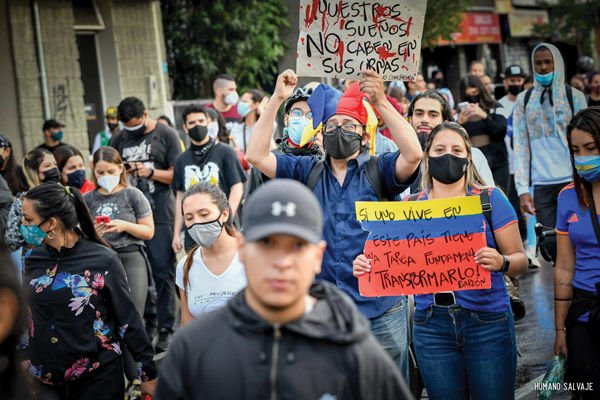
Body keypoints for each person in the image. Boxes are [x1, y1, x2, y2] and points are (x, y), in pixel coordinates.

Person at [155, 179, 411, 399]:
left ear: (318, 256)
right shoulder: (192, 348)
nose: (282, 261)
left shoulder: (355, 353)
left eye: (297, 245)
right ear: (242, 251)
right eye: (266, 244)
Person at [246, 69, 423, 383]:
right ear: (321, 133)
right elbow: (256, 155)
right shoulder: (306, 171)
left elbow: (413, 154)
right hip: (325, 309)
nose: (339, 130)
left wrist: (381, 101)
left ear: (364, 134)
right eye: (332, 125)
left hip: (380, 308)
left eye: (349, 125)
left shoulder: (379, 169)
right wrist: (277, 99)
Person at [355, 121, 528, 399]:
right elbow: (389, 262)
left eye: (457, 150)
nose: (448, 155)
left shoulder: (490, 199)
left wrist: (502, 262)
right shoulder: (409, 207)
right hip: (431, 327)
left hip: (487, 322)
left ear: (468, 157)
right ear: (427, 156)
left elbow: (520, 260)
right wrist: (367, 267)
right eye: (439, 149)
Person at [21, 183, 157, 399]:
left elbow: (128, 320)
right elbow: (27, 315)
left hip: (97, 377)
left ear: (51, 223)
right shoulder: (31, 259)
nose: (22, 224)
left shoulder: (104, 260)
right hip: (45, 379)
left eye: (28, 219)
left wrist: (147, 374)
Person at [110, 96, 182, 352]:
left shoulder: (166, 135)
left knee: (162, 272)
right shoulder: (119, 139)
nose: (131, 130)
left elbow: (177, 175)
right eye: (127, 126)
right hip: (129, 218)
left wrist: (149, 172)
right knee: (138, 276)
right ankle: (148, 323)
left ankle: (166, 328)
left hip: (160, 213)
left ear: (145, 116)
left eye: (135, 125)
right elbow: (109, 170)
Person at [83, 146, 154, 396]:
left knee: (133, 318)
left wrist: (124, 225)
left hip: (131, 257)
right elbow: (82, 237)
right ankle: (131, 377)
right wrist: (94, 233)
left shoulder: (133, 194)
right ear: (93, 171)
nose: (106, 176)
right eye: (100, 172)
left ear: (120, 168)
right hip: (101, 262)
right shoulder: (88, 199)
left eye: (111, 171)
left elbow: (149, 231)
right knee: (109, 321)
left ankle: (143, 376)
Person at [513, 43, 587, 262]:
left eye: (548, 62)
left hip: (573, 180)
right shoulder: (524, 100)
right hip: (542, 184)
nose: (543, 68)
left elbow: (586, 140)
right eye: (538, 63)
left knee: (580, 239)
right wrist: (522, 189)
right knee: (550, 244)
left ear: (558, 64)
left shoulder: (575, 97)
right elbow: (520, 146)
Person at [554, 107, 600, 398]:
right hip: (583, 315)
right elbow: (564, 267)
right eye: (576, 150)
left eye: (591, 148)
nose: (583, 157)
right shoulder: (567, 196)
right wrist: (560, 330)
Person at [171, 105, 246, 253]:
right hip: (194, 232)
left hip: (224, 226)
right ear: (185, 127)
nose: (197, 125)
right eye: (192, 123)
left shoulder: (226, 152)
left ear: (208, 123)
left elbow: (237, 187)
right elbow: (180, 198)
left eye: (201, 121)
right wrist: (176, 234)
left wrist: (226, 217)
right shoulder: (181, 160)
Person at [175, 182, 246, 326]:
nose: (197, 222)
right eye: (189, 218)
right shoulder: (186, 266)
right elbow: (187, 326)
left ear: (225, 214)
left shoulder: (252, 256)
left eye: (204, 214)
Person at [403, 90, 494, 195]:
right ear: (410, 119)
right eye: (419, 114)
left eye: (433, 115)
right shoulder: (400, 159)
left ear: (445, 121)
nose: (425, 120)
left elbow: (489, 198)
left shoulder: (474, 157)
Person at [245, 87, 321, 197]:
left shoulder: (324, 162)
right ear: (286, 119)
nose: (303, 119)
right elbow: (252, 202)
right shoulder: (267, 160)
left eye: (310, 115)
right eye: (297, 113)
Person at [458, 74, 509, 191]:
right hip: (474, 164)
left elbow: (501, 130)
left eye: (475, 93)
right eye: (468, 95)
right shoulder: (460, 114)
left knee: (500, 195)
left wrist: (484, 116)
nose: (472, 98)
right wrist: (459, 123)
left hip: (497, 162)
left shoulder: (495, 107)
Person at [5, 149, 59, 253]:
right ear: (34, 172)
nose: (54, 168)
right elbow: (11, 242)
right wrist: (26, 226)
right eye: (47, 165)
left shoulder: (65, 194)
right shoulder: (22, 202)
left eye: (55, 164)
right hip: (37, 258)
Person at [497, 65, 528, 243]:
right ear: (505, 82)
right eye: (512, 80)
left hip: (528, 165)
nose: (515, 83)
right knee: (513, 204)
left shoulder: (529, 101)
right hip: (508, 164)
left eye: (518, 80)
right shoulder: (499, 105)